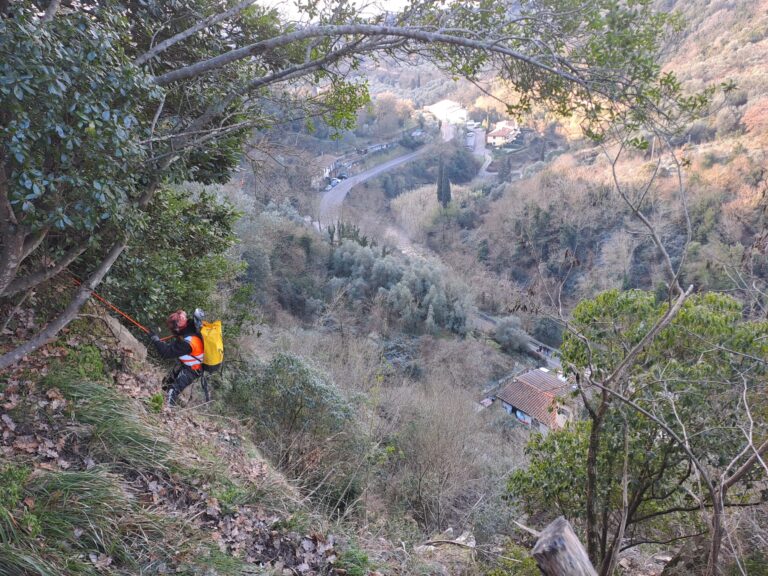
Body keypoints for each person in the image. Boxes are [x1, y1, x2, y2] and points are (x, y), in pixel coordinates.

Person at [149, 310, 206, 406]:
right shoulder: (190, 328)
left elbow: (166, 353)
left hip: (193, 369)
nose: (172, 330)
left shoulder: (188, 342)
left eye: (172, 328)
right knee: (166, 384)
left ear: (177, 327)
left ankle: (167, 410)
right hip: (187, 365)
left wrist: (155, 340)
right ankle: (158, 401)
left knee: (173, 390)